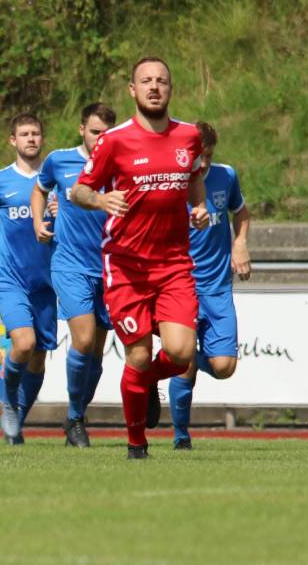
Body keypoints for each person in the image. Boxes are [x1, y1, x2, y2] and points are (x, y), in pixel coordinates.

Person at [70, 57, 210, 460]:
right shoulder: (114, 140)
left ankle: (144, 380)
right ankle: (136, 444)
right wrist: (99, 198)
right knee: (138, 353)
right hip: (126, 266)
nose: (154, 87)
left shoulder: (189, 136)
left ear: (171, 88)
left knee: (182, 354)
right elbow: (78, 191)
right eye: (145, 81)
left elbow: (195, 178)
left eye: (161, 81)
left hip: (174, 265)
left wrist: (198, 208)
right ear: (132, 90)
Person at [0, 113, 55, 445]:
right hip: (11, 278)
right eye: (24, 134)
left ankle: (17, 416)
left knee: (39, 356)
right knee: (24, 343)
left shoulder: (55, 182)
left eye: (35, 133)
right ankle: (9, 401)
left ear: (42, 139)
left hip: (47, 283)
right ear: (12, 140)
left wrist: (62, 215)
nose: (31, 138)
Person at [31, 103, 116, 447]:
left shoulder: (122, 163)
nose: (101, 139)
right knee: (82, 339)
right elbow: (39, 188)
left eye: (107, 133)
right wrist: (38, 220)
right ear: (82, 130)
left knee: (96, 351)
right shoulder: (59, 161)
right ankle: (76, 418)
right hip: (69, 264)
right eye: (95, 132)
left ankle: (75, 416)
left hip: (110, 267)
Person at [166, 122, 251, 450]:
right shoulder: (169, 181)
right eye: (197, 156)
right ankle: (180, 435)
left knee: (223, 366)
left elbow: (240, 213)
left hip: (217, 287)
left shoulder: (226, 175)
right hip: (181, 286)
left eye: (208, 156)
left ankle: (171, 359)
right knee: (185, 362)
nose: (202, 163)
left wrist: (240, 242)